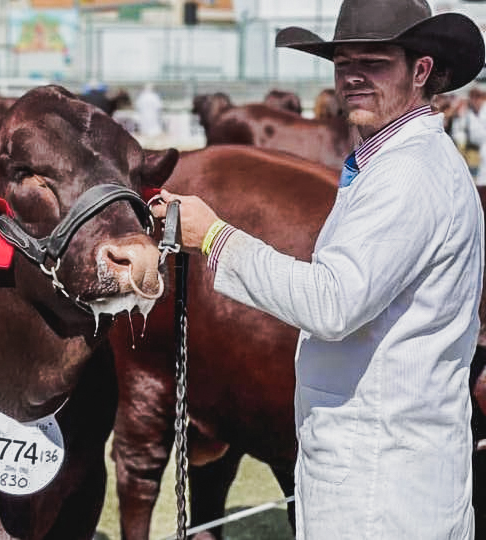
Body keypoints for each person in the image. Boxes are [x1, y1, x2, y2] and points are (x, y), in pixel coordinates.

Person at [151, 0, 485, 538]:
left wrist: (214, 238)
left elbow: (332, 303)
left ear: (421, 71)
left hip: (380, 482)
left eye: (373, 62)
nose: (352, 76)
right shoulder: (396, 162)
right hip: (380, 465)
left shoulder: (406, 173)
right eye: (343, 62)